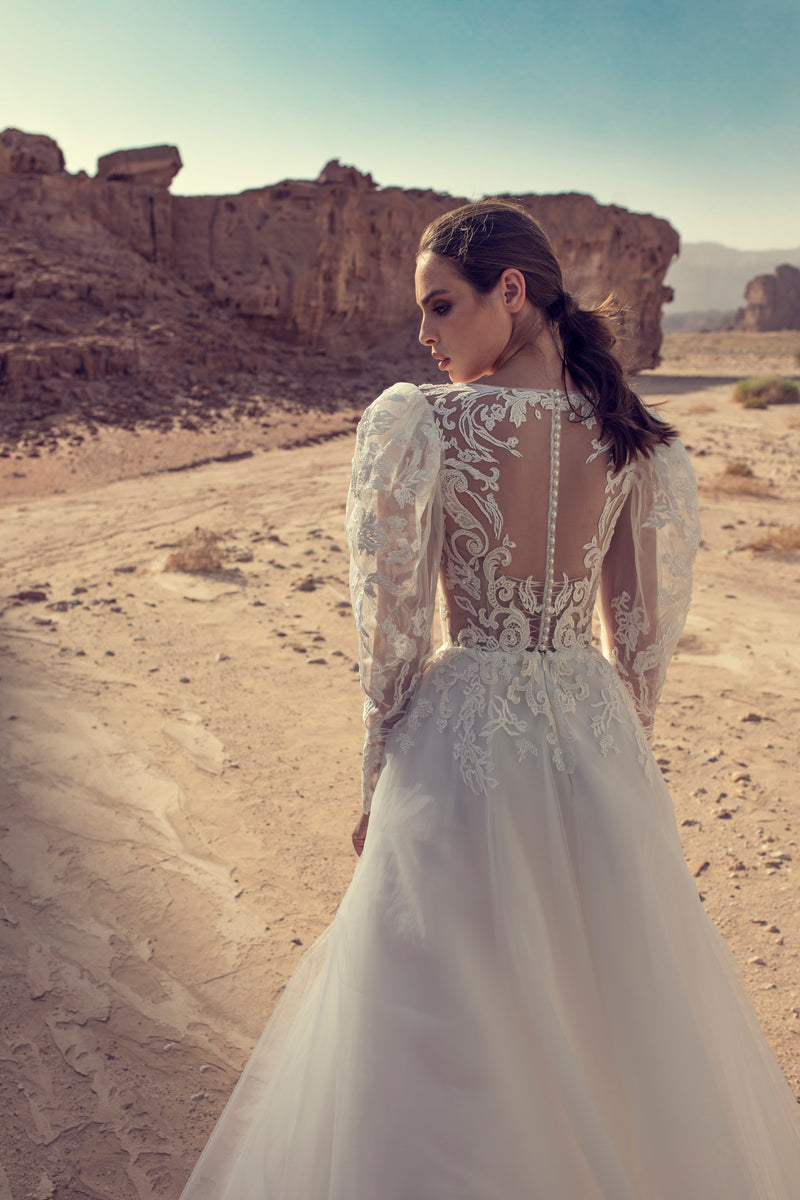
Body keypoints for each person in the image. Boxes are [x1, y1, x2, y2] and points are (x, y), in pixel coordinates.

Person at [180, 201, 800, 1199]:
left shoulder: (418, 423)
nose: (423, 337)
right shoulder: (638, 438)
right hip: (593, 739)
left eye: (439, 305)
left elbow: (389, 631)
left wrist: (376, 768)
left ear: (509, 291)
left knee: (442, 1025)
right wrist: (614, 758)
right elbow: (641, 642)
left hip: (459, 739)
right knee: (609, 1016)